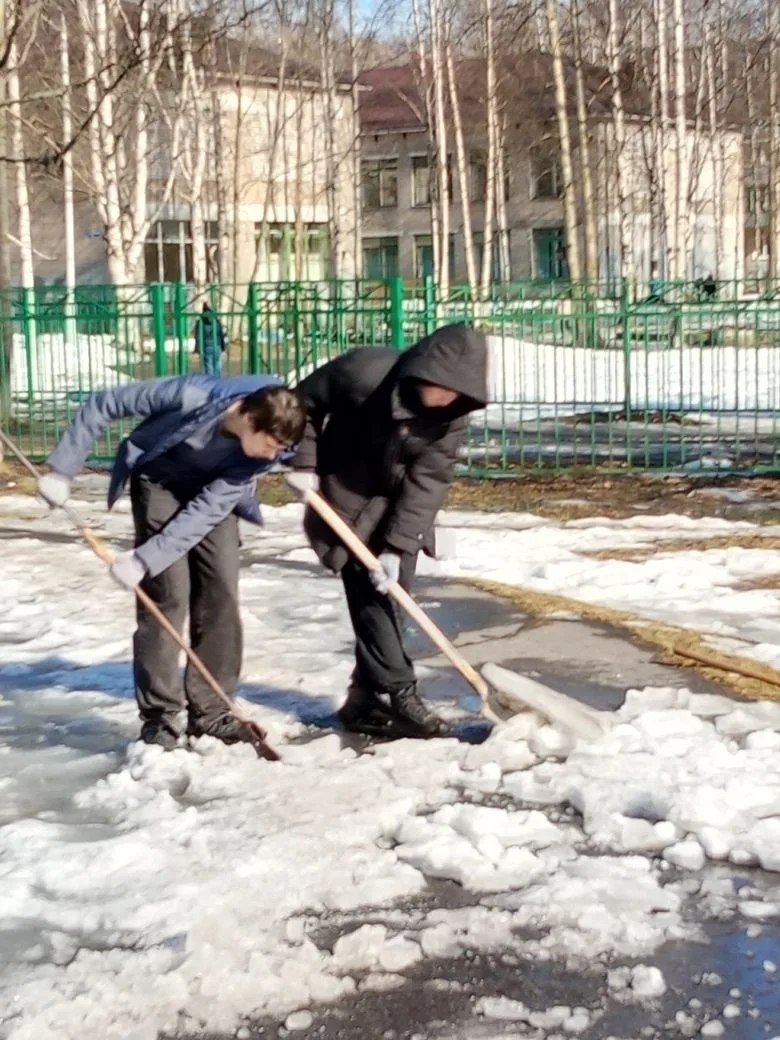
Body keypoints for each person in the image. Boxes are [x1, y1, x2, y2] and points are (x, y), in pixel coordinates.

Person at [36, 374, 305, 751]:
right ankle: (159, 716)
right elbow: (104, 404)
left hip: (212, 496)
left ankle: (212, 712)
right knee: (167, 593)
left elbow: (206, 512)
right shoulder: (192, 396)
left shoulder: (256, 459)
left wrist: (146, 557)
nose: (274, 457)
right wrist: (62, 469)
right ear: (248, 419)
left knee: (221, 592)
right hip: (159, 479)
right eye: (271, 446)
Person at [286, 323, 489, 740]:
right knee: (370, 596)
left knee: (393, 596)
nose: (446, 400)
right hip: (344, 494)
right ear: (423, 370)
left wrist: (398, 547)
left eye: (456, 393)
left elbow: (429, 480)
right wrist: (303, 463)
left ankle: (363, 699)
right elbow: (297, 405)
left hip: (398, 508)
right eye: (442, 388)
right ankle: (400, 693)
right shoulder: (364, 372)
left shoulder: (451, 415)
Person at [193, 302, 227, 375]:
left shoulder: (200, 322)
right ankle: (218, 382)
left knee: (209, 366)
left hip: (206, 346)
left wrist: (197, 350)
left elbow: (198, 337)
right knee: (217, 366)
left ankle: (211, 382)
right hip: (217, 346)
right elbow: (221, 335)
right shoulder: (216, 321)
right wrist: (223, 348)